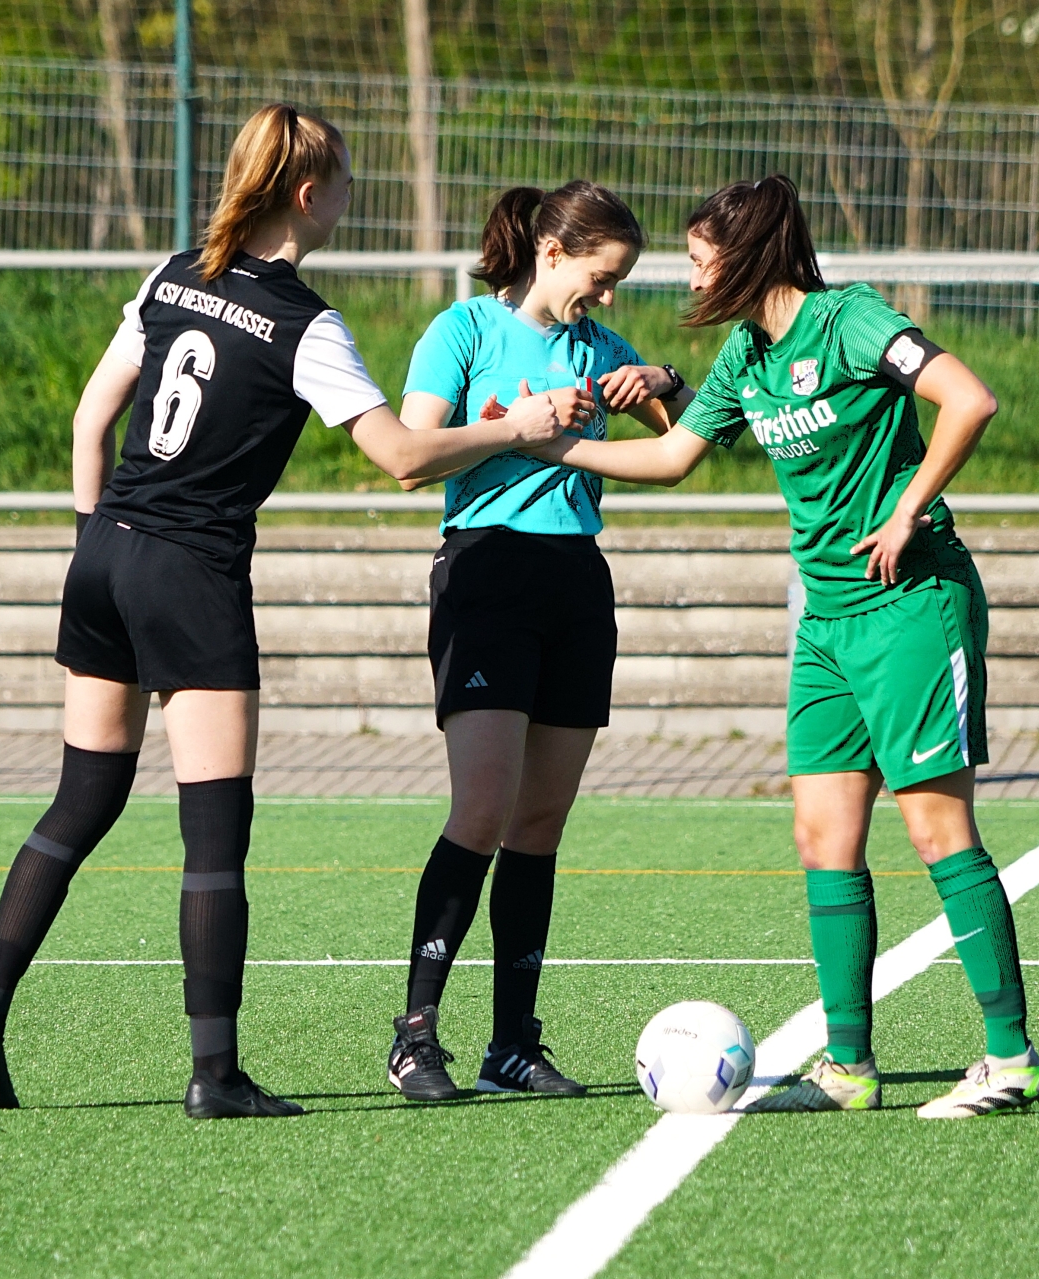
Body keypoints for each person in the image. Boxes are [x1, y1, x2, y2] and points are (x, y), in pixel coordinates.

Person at [0, 104, 588, 1119]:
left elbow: (90, 417)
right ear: (308, 195)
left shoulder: (170, 275)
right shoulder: (305, 323)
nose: (353, 197)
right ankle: (216, 1074)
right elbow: (401, 456)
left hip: (103, 554)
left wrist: (95, 541)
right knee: (214, 835)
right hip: (192, 574)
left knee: (81, 801)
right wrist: (522, 427)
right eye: (347, 181)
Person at [529, 175, 1039, 1120]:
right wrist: (545, 447)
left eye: (700, 260)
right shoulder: (744, 355)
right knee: (822, 836)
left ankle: (1010, 1056)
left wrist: (908, 507)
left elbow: (970, 399)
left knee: (937, 830)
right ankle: (849, 1068)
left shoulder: (848, 321)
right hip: (827, 625)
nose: (690, 278)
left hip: (910, 602)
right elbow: (673, 456)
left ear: (749, 254)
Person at [383, 180, 693, 1102]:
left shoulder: (602, 346)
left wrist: (661, 383)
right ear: (552, 253)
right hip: (486, 575)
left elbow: (682, 441)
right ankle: (414, 1036)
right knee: (481, 812)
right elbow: (411, 455)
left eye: (620, 281)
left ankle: (512, 1043)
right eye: (603, 276)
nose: (609, 296)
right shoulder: (465, 329)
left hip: (576, 582)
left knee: (539, 825)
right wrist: (513, 427)